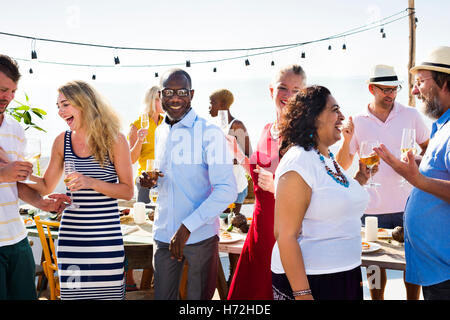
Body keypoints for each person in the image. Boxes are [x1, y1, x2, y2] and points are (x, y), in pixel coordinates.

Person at [28, 80, 134, 300]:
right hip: (72, 240)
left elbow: (127, 191)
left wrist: (91, 182)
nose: (59, 111)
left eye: (65, 105)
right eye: (58, 106)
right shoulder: (61, 141)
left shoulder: (114, 140)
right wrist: (22, 173)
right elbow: (46, 185)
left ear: (84, 103)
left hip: (106, 240)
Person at [139, 68, 237, 300]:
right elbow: (166, 180)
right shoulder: (161, 131)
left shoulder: (210, 133)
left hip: (199, 238)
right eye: (168, 92)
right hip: (163, 235)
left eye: (181, 91)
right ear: (160, 96)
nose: (175, 97)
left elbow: (227, 190)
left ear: (192, 94)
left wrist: (187, 227)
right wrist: (148, 181)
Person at [336, 64, 429, 300]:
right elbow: (342, 165)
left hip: (407, 203)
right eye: (384, 90)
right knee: (374, 266)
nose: (390, 94)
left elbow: (429, 150)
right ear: (371, 89)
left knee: (411, 262)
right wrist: (347, 141)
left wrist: (413, 162)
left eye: (394, 89)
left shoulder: (411, 115)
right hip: (370, 207)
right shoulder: (357, 121)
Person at [272, 85, 374, 300]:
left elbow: (332, 197)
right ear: (313, 116)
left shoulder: (325, 158)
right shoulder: (298, 162)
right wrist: (302, 294)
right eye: (335, 110)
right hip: (314, 280)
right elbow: (285, 235)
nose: (343, 116)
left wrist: (361, 180)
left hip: (346, 273)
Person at [374, 46, 450, 300]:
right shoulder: (441, 128)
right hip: (437, 272)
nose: (414, 91)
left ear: (446, 83)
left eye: (419, 82)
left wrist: (417, 179)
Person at [227, 64, 306, 300]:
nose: (288, 95)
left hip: (286, 229)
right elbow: (261, 175)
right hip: (259, 228)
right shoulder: (265, 129)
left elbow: (312, 186)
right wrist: (240, 157)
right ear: (271, 90)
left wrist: (277, 186)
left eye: (296, 90)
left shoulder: (305, 135)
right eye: (283, 88)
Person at [0, 54, 69, 300]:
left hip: (16, 240)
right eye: (2, 90)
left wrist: (42, 203)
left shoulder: (15, 129)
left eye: (12, 91)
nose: (7, 97)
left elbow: (15, 184)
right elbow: (5, 176)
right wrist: (3, 173)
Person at [126, 85, 164, 291]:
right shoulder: (137, 124)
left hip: (164, 183)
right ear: (152, 101)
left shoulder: (168, 123)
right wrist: (139, 139)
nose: (166, 102)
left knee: (158, 232)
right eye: (161, 99)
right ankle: (129, 278)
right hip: (145, 184)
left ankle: (153, 279)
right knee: (140, 230)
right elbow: (131, 159)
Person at [209, 88, 252, 215]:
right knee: (222, 226)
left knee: (230, 225)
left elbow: (249, 154)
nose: (209, 107)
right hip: (221, 187)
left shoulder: (236, 125)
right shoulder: (218, 126)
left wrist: (227, 160)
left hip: (237, 186)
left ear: (222, 105)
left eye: (212, 103)